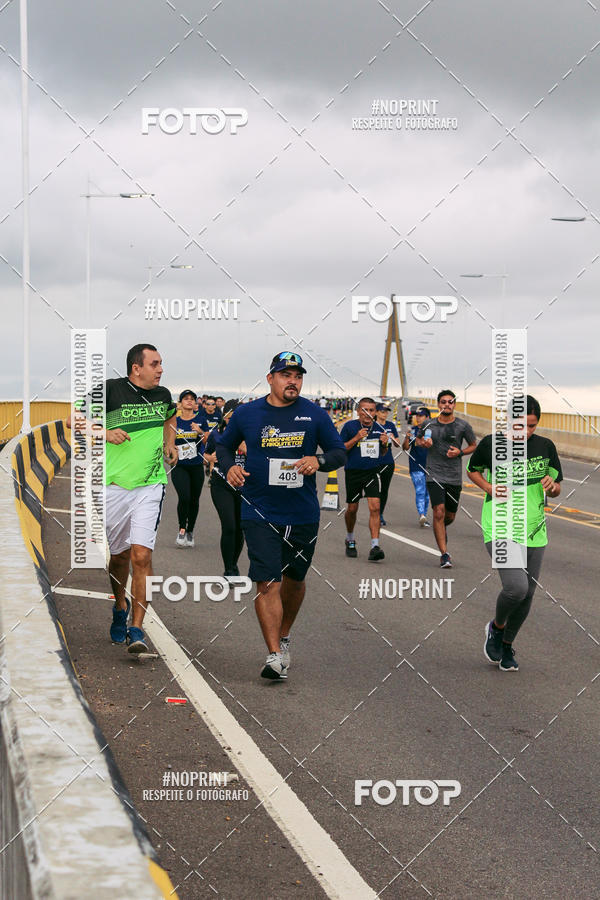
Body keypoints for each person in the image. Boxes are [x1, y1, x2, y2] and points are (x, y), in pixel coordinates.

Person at [216, 351, 346, 680]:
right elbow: (223, 446)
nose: (293, 381)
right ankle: (274, 654)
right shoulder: (247, 413)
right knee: (268, 581)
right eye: (286, 375)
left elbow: (338, 452)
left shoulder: (314, 414)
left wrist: (319, 461)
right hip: (259, 509)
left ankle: (284, 636)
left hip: (302, 512)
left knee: (295, 581)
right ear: (270, 378)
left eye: (298, 376)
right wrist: (229, 467)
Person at [67, 344, 177, 653]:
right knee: (119, 557)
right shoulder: (110, 390)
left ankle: (137, 628)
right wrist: (104, 433)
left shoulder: (163, 395)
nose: (160, 369)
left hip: (150, 485)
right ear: (136, 368)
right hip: (113, 487)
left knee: (142, 556)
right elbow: (72, 419)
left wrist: (170, 443)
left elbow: (170, 419)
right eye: (154, 364)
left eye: (161, 363)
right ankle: (120, 604)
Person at [467, 395, 563, 672]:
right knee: (516, 588)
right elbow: (473, 471)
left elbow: (557, 487)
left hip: (534, 529)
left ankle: (507, 644)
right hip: (499, 526)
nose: (526, 431)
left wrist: (552, 486)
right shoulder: (491, 444)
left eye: (532, 426)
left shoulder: (545, 446)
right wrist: (488, 488)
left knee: (528, 593)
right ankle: (496, 628)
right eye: (521, 425)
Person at [421, 389, 477, 568]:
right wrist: (424, 443)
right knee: (438, 511)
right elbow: (418, 441)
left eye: (450, 402)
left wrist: (460, 452)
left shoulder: (463, 426)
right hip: (434, 474)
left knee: (449, 516)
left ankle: (440, 527)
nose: (447, 404)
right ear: (438, 404)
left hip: (453, 477)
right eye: (443, 402)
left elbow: (473, 445)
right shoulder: (429, 424)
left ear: (454, 405)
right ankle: (444, 554)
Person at [340, 398, 389, 561]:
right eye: (364, 410)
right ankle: (350, 538)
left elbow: (382, 453)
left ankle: (375, 546)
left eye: (371, 410)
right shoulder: (349, 427)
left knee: (375, 507)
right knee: (352, 508)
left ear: (375, 412)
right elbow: (340, 449)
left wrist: (385, 445)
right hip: (353, 472)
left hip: (372, 472)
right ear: (358, 411)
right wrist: (356, 438)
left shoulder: (379, 428)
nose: (368, 414)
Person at [205, 399, 246, 577]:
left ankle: (234, 563)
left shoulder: (250, 435)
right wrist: (210, 458)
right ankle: (228, 569)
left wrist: (246, 448)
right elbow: (205, 454)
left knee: (240, 527)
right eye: (230, 416)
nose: (233, 420)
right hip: (221, 484)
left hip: (244, 486)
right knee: (229, 526)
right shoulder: (216, 434)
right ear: (225, 417)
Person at [171, 390, 208, 548]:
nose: (189, 401)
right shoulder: (175, 422)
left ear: (195, 403)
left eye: (192, 399)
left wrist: (200, 432)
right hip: (179, 466)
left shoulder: (201, 420)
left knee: (194, 500)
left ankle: (190, 530)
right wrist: (170, 450)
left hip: (196, 466)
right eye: (186, 399)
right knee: (184, 497)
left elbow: (209, 441)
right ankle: (182, 529)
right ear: (180, 403)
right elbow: (168, 443)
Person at [402, 406, 432, 527]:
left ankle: (424, 516)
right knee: (420, 490)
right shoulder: (413, 430)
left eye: (421, 416)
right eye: (417, 416)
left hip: (431, 466)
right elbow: (405, 448)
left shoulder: (433, 431)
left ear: (427, 417)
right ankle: (421, 515)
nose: (418, 418)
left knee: (427, 494)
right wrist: (407, 437)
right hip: (416, 465)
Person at [375, 402, 401, 526]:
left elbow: (398, 444)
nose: (385, 414)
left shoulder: (391, 425)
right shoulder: (372, 425)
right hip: (374, 462)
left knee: (384, 489)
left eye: (386, 411)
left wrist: (393, 437)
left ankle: (380, 514)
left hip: (388, 462)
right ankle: (374, 512)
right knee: (374, 490)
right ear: (376, 412)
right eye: (382, 411)